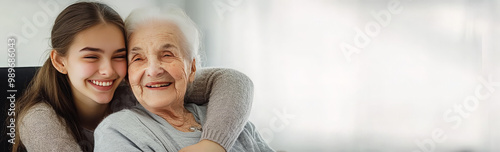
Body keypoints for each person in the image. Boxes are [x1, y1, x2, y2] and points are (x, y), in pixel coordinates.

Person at [13, 2, 253, 152]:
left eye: (119, 56)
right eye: (91, 57)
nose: (108, 70)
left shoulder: (138, 85)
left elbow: (233, 81)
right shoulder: (39, 120)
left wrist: (212, 143)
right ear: (60, 61)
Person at [94, 5, 274, 152]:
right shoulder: (118, 131)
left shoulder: (231, 121)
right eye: (138, 58)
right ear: (127, 74)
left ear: (192, 68)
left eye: (167, 55)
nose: (154, 70)